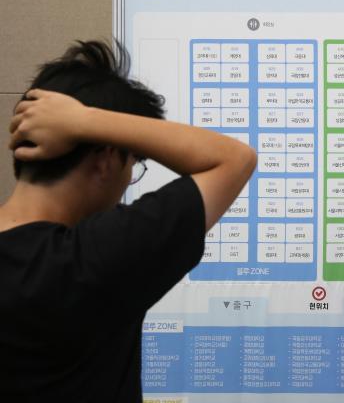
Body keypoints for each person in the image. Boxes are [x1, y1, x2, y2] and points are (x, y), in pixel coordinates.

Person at [0, 41, 257, 401]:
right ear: (105, 158)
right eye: (132, 165)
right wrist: (85, 121)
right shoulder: (91, 258)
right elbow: (233, 159)